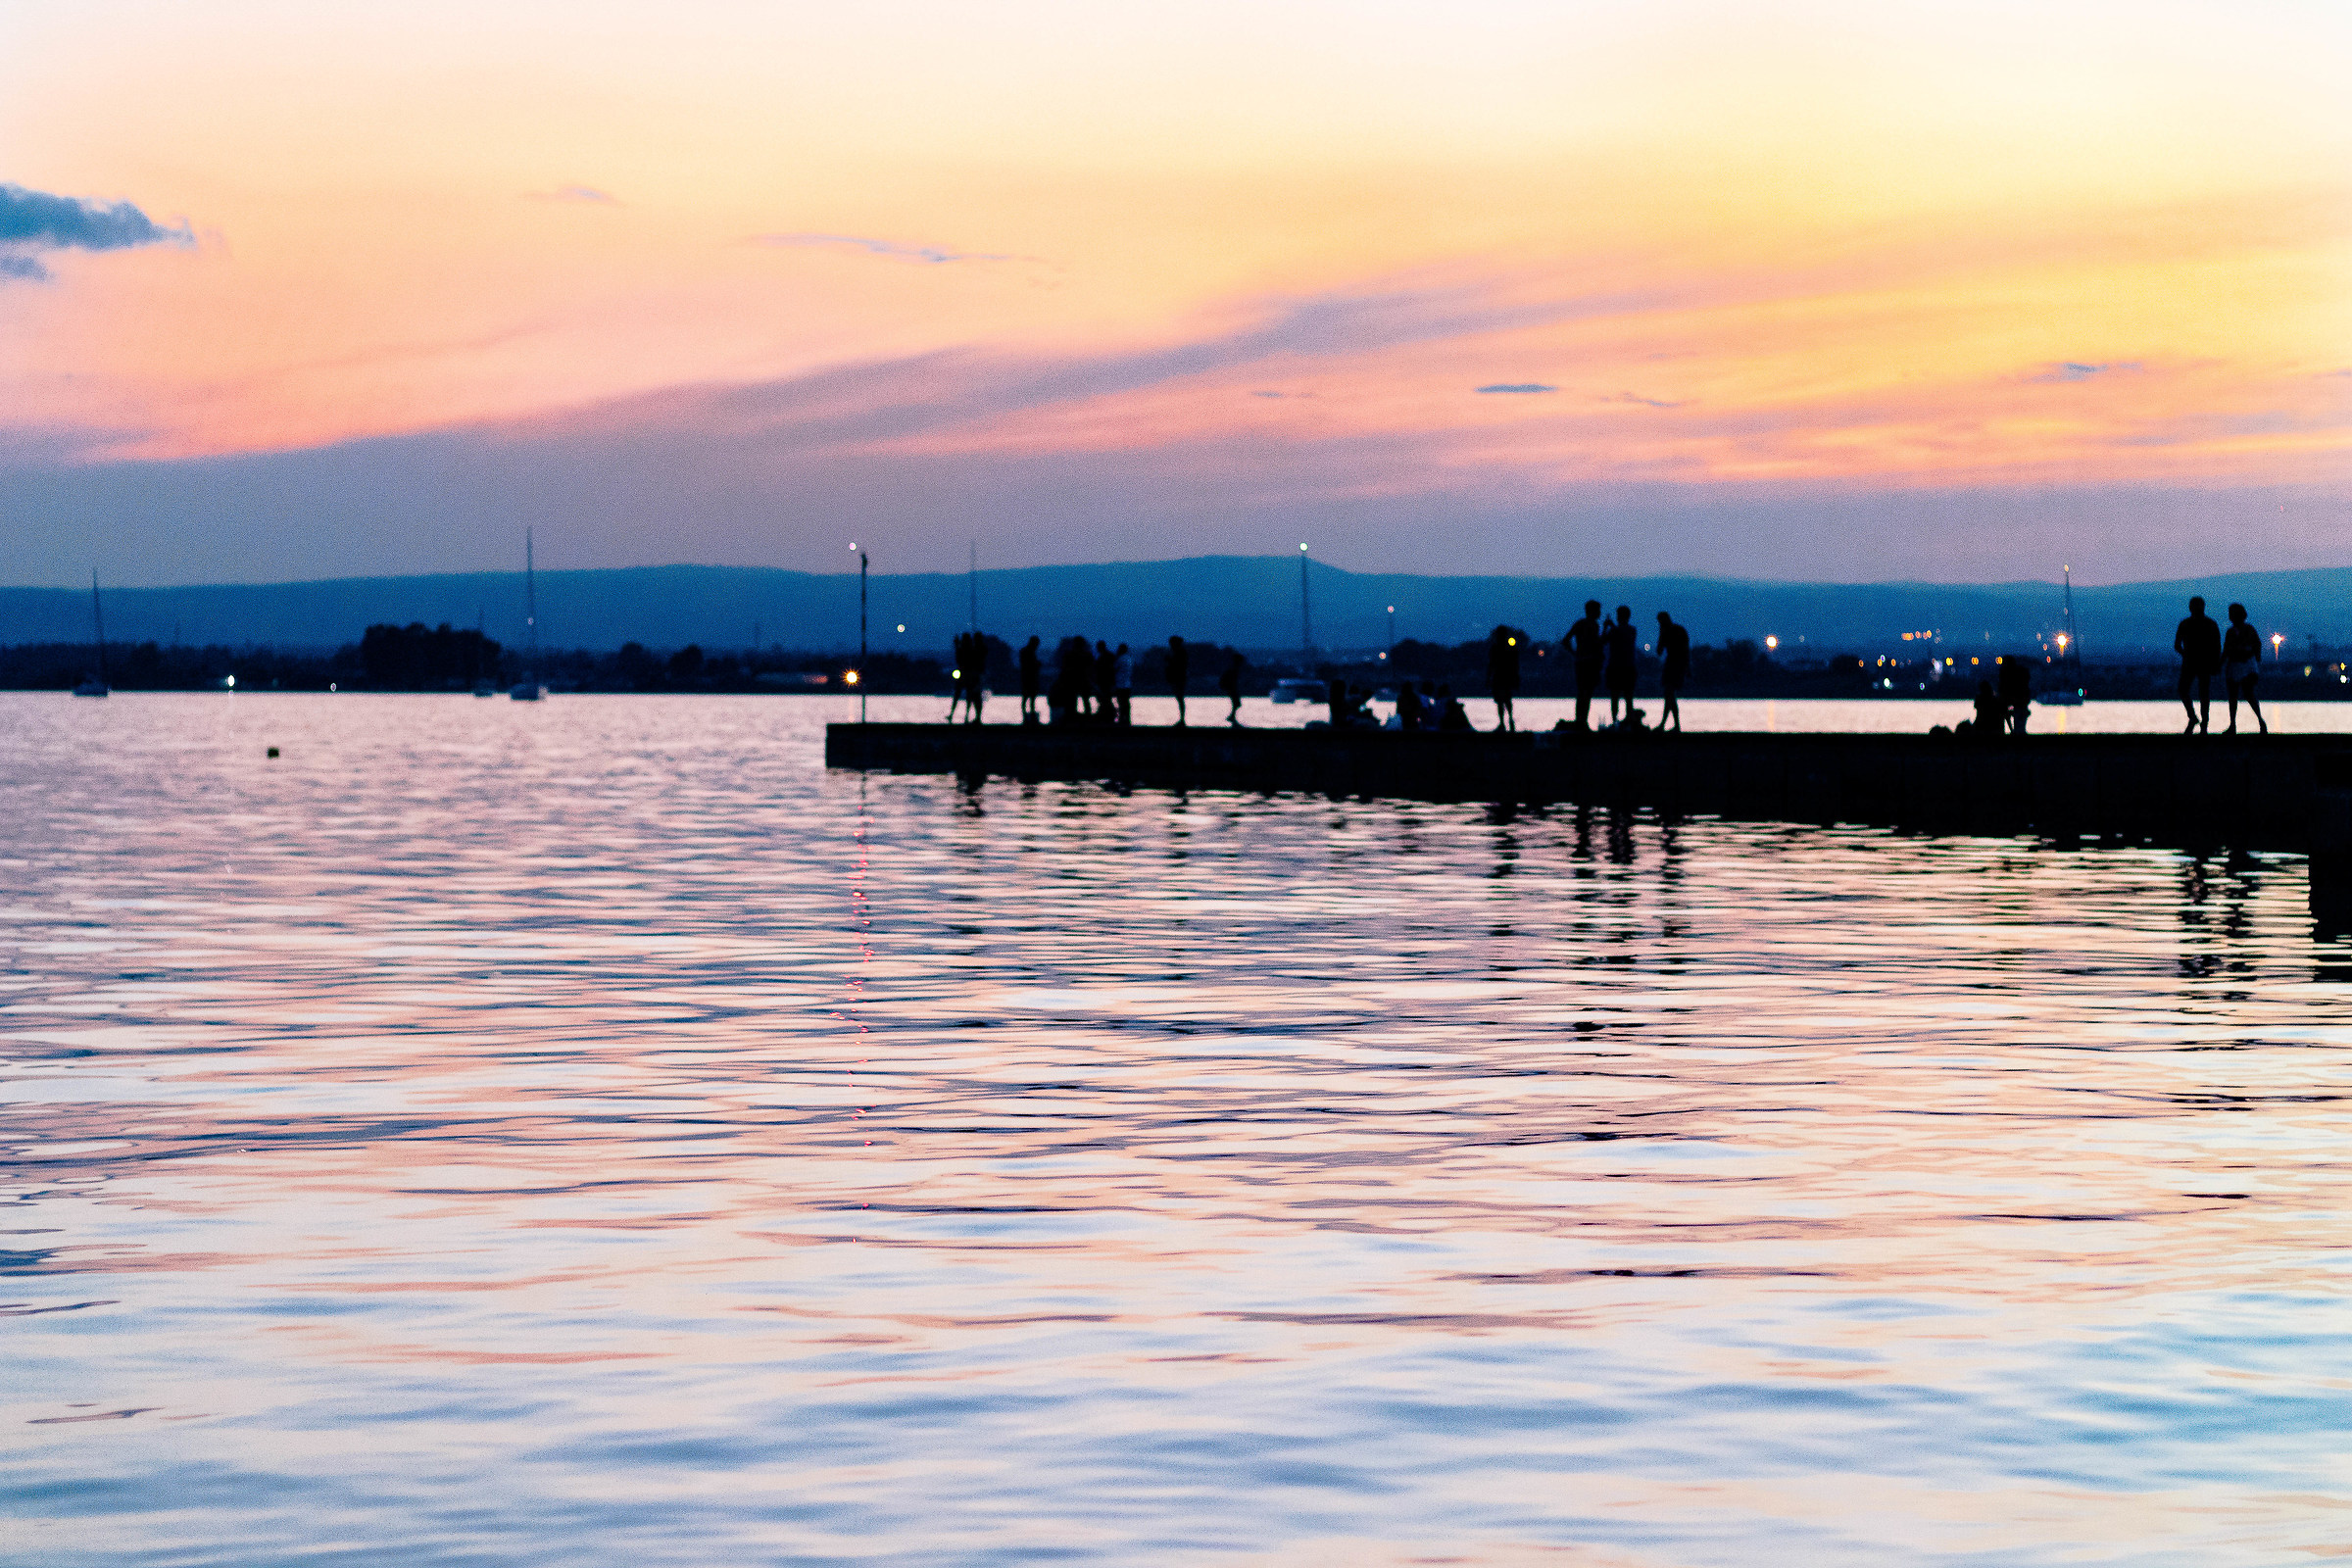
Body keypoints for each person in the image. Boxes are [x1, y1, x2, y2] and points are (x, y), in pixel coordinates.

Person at [2175, 595, 2221, 734]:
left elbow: (2177, 645)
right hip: (2200, 662)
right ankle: (2199, 721)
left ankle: (2198, 720)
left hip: (2198, 663)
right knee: (2199, 693)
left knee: (2195, 692)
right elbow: (2217, 647)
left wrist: (2186, 654)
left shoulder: (2187, 624)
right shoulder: (2209, 624)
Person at [2223, 602, 2268, 735]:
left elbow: (2255, 645)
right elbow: (2227, 650)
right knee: (2237, 695)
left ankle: (2257, 722)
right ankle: (2235, 724)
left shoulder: (2245, 630)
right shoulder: (2234, 631)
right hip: (2238, 665)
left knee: (2244, 694)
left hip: (2245, 665)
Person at [1562, 600, 1604, 730]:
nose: (1599, 613)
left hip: (1584, 662)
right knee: (1585, 692)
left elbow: (1566, 640)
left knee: (1584, 692)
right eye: (1598, 610)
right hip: (1587, 662)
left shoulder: (1586, 624)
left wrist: (1575, 654)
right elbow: (1566, 640)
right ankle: (1581, 721)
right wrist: (1575, 653)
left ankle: (1581, 721)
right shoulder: (1588, 624)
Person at [1603, 606, 1640, 724]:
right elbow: (1602, 642)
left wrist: (1610, 626)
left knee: (1626, 696)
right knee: (1616, 696)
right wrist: (1605, 627)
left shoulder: (1630, 630)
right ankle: (1615, 721)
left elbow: (1623, 637)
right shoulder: (1615, 630)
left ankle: (1627, 720)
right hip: (1619, 667)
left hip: (1624, 667)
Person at [1655, 611, 1690, 732]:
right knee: (1670, 696)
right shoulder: (1676, 630)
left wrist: (1686, 668)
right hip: (1673, 665)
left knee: (1669, 694)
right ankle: (1675, 725)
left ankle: (1665, 724)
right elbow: (1659, 651)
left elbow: (1659, 651)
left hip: (1676, 666)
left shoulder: (1677, 631)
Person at [1485, 625, 1522, 730]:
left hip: (1503, 676)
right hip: (1503, 676)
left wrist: (1488, 678)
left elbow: (1492, 664)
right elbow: (1492, 664)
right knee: (1503, 700)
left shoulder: (1502, 647)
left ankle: (1506, 722)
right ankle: (1505, 722)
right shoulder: (1500, 647)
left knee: (1503, 700)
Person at [1997, 654, 2033, 734]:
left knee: (2017, 717)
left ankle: (2014, 731)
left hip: (2017, 700)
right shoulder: (2020, 673)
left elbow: (2002, 689)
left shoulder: (2006, 673)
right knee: (2019, 720)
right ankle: (2016, 731)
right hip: (2019, 700)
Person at [1166, 635, 1190, 726]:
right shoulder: (1179, 652)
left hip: (1179, 678)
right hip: (1178, 677)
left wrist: (1170, 660)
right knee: (1179, 698)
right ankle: (1182, 719)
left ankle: (1182, 720)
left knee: (1180, 698)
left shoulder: (1180, 652)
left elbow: (1179, 665)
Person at [1018, 635, 1042, 724]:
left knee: (1027, 698)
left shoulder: (1025, 651)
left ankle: (1027, 717)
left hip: (1027, 677)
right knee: (1030, 698)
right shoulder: (1028, 652)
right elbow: (1030, 665)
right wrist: (1037, 664)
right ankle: (1029, 717)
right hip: (1029, 678)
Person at [1220, 651, 1246, 725]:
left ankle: (1232, 716)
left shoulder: (1233, 669)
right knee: (1237, 703)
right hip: (1231, 688)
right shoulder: (1234, 669)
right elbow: (1232, 680)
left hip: (1231, 688)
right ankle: (1232, 716)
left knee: (1236, 703)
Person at [1112, 643, 1134, 726]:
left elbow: (1114, 668)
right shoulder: (1129, 659)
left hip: (1120, 684)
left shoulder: (1120, 659)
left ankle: (1121, 718)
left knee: (1121, 702)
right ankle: (1127, 718)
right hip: (1127, 684)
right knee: (1126, 702)